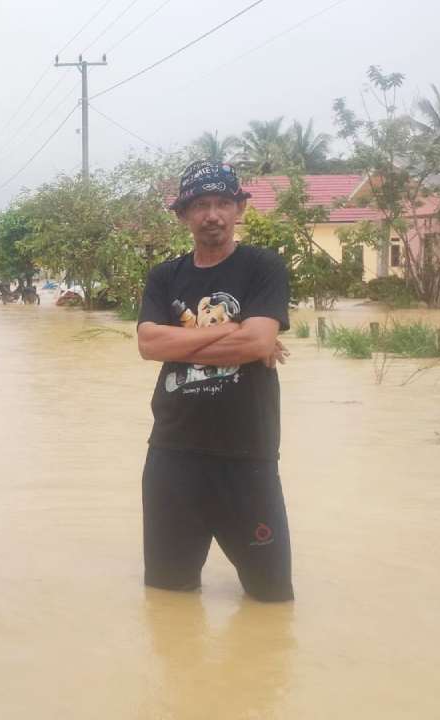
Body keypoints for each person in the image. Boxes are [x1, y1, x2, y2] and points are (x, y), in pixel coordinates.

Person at [135, 160, 294, 603]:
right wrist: (234, 329)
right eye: (201, 205)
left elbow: (258, 343)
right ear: (183, 215)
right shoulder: (165, 276)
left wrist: (183, 340)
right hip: (171, 455)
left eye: (223, 203)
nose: (212, 214)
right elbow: (148, 344)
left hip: (247, 456)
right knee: (168, 599)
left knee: (271, 598)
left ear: (240, 209)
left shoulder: (263, 266)